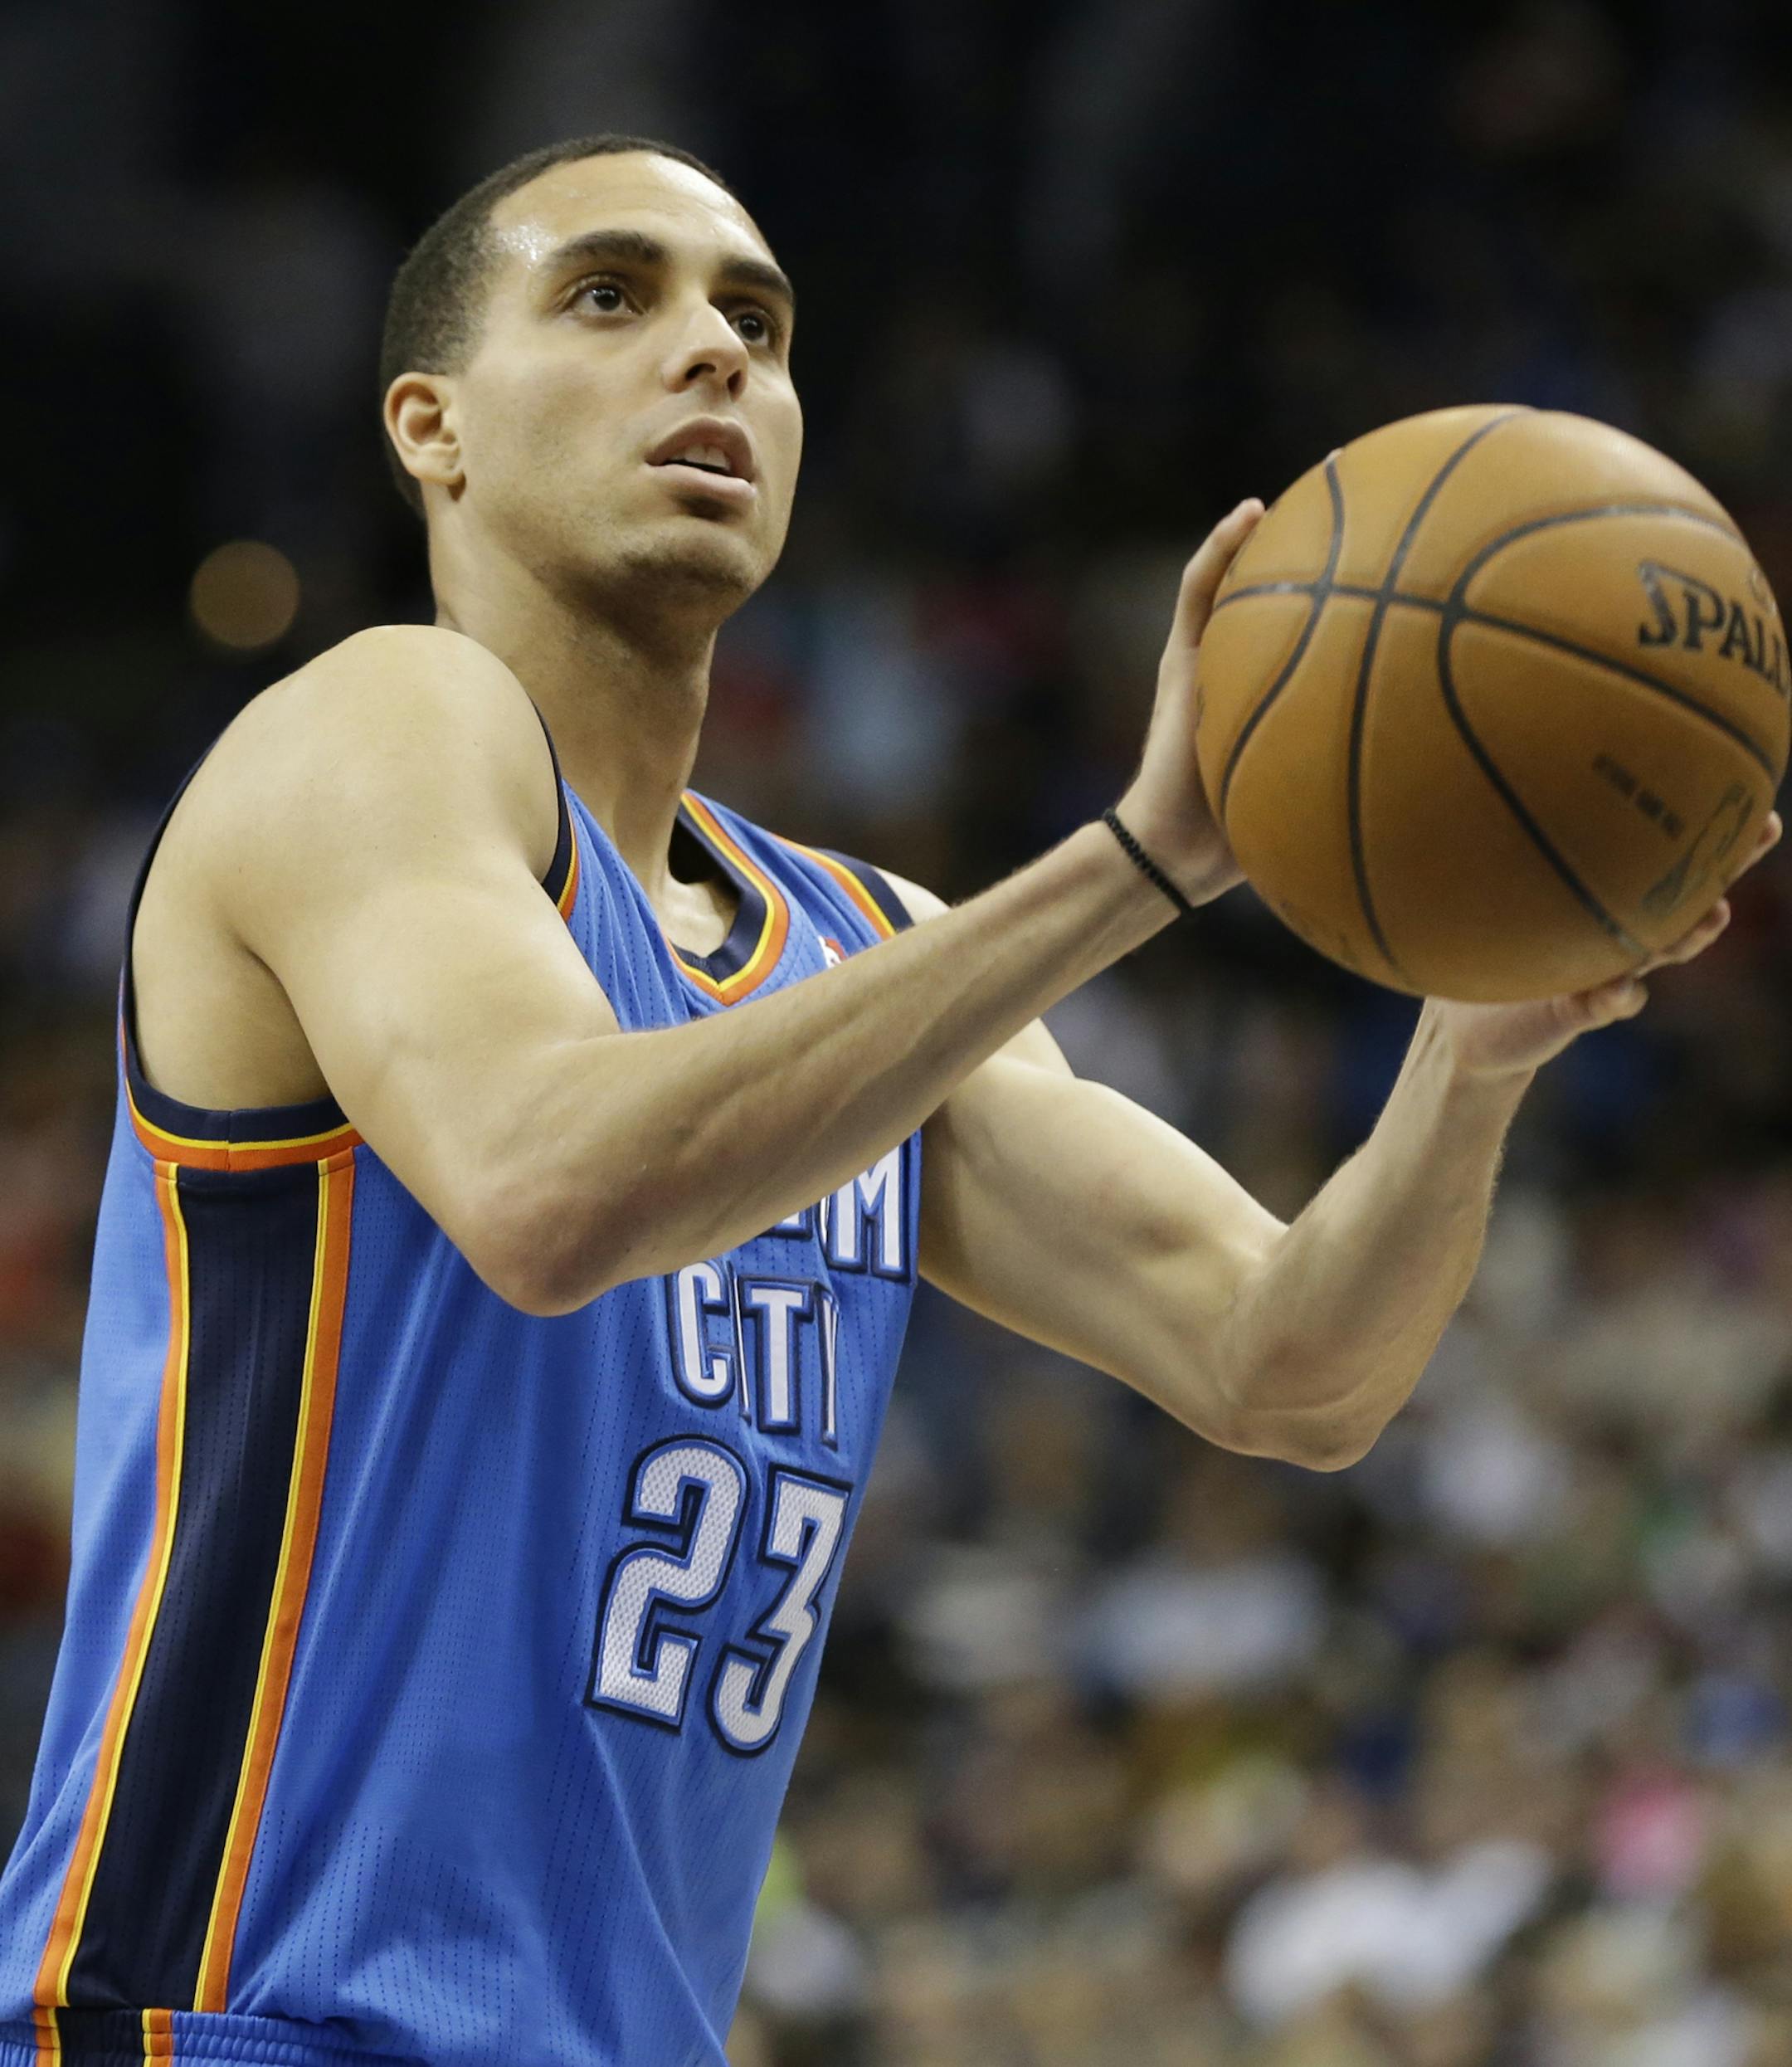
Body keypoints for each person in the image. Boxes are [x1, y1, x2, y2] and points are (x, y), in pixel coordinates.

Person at [0, 133, 1770, 2067]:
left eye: (755, 323)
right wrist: (1141, 856)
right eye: (612, 295)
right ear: (431, 427)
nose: (710, 356)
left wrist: (1473, 1046)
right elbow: (544, 1180)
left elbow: (1292, 1366)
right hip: (248, 2021)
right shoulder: (373, 726)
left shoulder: (870, 952)